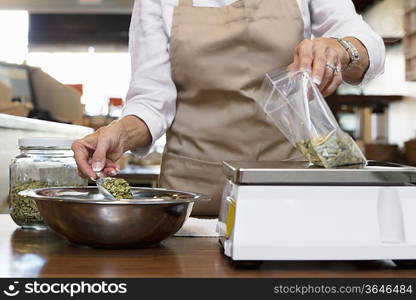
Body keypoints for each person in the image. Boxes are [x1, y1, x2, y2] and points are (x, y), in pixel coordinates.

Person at [73, 0, 385, 215]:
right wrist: (118, 134)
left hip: (292, 192)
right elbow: (152, 100)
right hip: (197, 203)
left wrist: (341, 48)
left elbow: (368, 45)